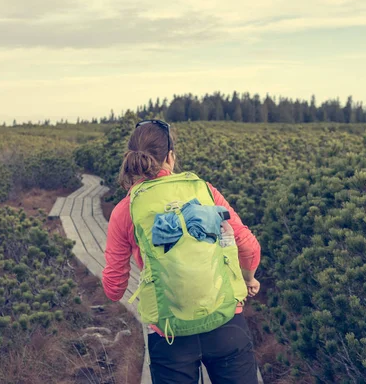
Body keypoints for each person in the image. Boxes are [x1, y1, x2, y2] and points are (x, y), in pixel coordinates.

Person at [102, 119, 261, 384]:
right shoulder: (206, 191)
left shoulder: (125, 210)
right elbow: (248, 246)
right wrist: (248, 278)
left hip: (168, 333)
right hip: (226, 323)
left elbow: (114, 288)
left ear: (132, 160)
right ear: (171, 157)